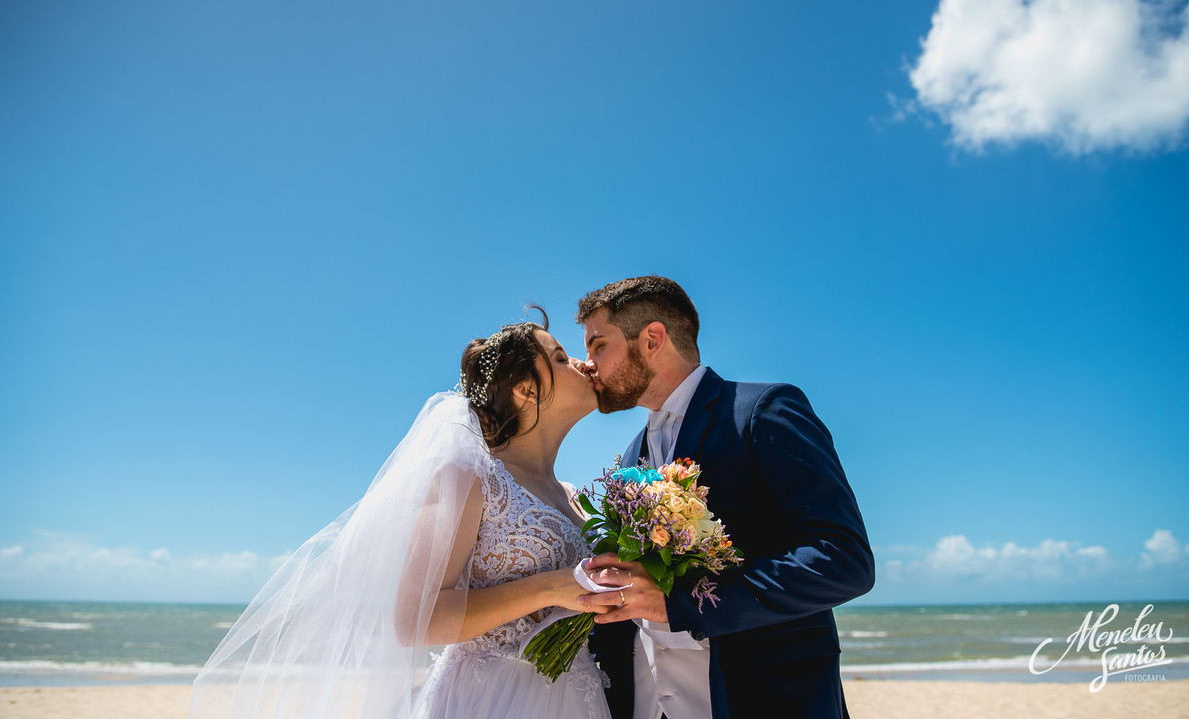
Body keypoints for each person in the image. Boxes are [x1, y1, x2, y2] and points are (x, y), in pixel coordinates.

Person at [190, 310, 617, 719]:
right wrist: (547, 588)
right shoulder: (471, 476)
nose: (582, 364)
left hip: (576, 697)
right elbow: (416, 619)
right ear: (525, 389)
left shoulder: (576, 497)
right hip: (491, 699)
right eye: (561, 358)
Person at [576, 276, 875, 719]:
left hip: (762, 697)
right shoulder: (630, 452)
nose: (588, 364)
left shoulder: (763, 411)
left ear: (652, 339)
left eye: (598, 345)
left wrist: (683, 603)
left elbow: (843, 560)